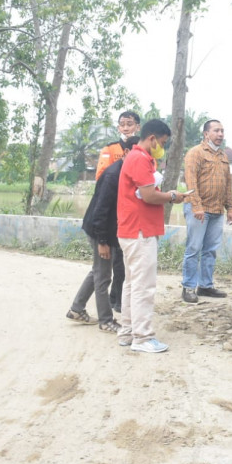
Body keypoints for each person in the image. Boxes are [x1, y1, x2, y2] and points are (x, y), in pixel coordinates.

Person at [116, 119, 187, 353]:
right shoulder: (140, 159)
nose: (162, 147)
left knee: (132, 283)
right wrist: (172, 196)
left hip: (133, 229)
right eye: (162, 142)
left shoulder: (139, 158)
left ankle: (127, 331)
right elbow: (148, 196)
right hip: (140, 230)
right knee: (143, 286)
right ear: (153, 138)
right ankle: (143, 337)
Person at [66, 135, 141, 332]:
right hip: (99, 230)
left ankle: (76, 308)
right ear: (127, 153)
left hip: (107, 230)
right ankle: (106, 321)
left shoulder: (127, 171)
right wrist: (102, 241)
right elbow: (100, 211)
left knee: (98, 270)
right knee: (103, 275)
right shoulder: (112, 175)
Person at [180, 119, 232, 304]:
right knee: (194, 248)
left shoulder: (223, 156)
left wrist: (230, 208)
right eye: (216, 131)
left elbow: (227, 185)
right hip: (198, 209)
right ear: (206, 134)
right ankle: (188, 287)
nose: (220, 134)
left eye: (222, 131)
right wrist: (197, 206)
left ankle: (205, 285)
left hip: (217, 210)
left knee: (210, 250)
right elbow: (191, 181)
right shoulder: (195, 153)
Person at [96, 111, 141, 313]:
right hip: (113, 208)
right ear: (118, 127)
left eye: (129, 124)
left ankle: (119, 296)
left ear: (137, 126)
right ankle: (115, 298)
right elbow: (101, 176)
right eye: (122, 124)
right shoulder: (109, 149)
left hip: (132, 208)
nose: (125, 128)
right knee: (114, 259)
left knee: (126, 259)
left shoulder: (142, 149)